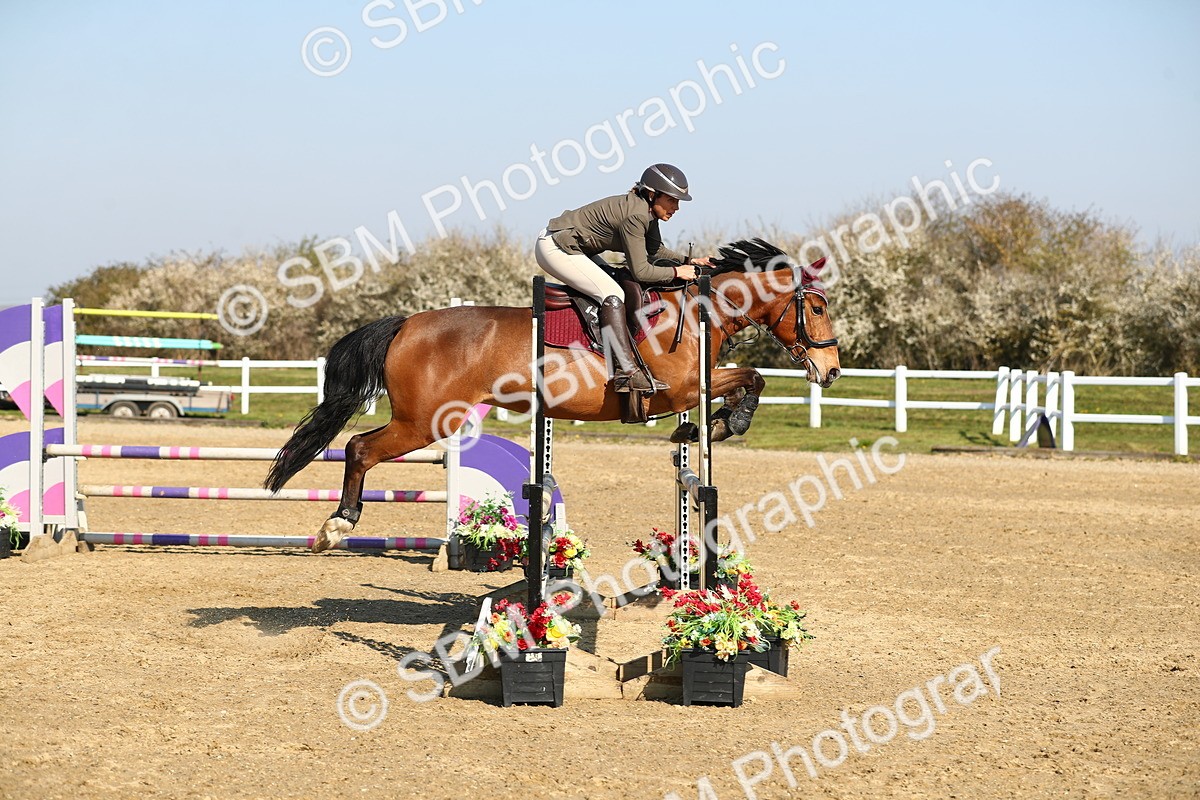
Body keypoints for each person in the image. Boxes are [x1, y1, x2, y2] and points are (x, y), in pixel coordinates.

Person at [534, 163, 713, 392]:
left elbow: (655, 251)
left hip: (575, 248)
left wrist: (689, 261)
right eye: (672, 200)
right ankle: (625, 373)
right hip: (556, 248)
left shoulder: (647, 212)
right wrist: (677, 272)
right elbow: (641, 271)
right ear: (652, 194)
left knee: (616, 281)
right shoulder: (636, 215)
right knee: (613, 293)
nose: (676, 207)